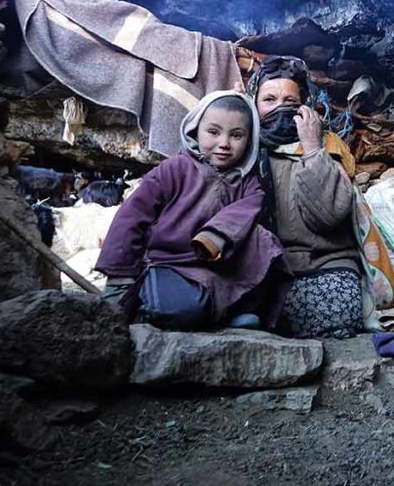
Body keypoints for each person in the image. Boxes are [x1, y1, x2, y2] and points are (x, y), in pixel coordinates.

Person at [95, 91, 289, 330]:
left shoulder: (248, 182)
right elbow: (131, 217)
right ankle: (153, 306)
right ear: (195, 129)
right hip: (169, 264)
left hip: (217, 270)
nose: (224, 143)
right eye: (213, 132)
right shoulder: (173, 169)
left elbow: (246, 210)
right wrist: (119, 274)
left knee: (265, 242)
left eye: (236, 135)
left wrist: (215, 235)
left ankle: (226, 313)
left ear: (250, 140)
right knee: (186, 309)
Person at [246, 55, 364, 339]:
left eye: (290, 101)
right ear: (253, 106)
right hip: (267, 270)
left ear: (304, 107)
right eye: (269, 100)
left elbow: (328, 216)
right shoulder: (245, 150)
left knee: (331, 311)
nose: (280, 108)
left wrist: (311, 147)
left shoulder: (326, 145)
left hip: (325, 266)